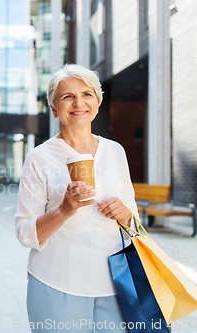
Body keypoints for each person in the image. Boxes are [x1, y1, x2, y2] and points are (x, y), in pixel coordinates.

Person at [14, 64, 139, 332]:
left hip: (115, 283)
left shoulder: (115, 151)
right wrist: (64, 210)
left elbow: (134, 220)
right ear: (54, 107)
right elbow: (24, 233)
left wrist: (126, 213)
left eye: (87, 94)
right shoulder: (39, 157)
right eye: (67, 96)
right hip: (56, 283)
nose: (78, 102)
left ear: (97, 103)